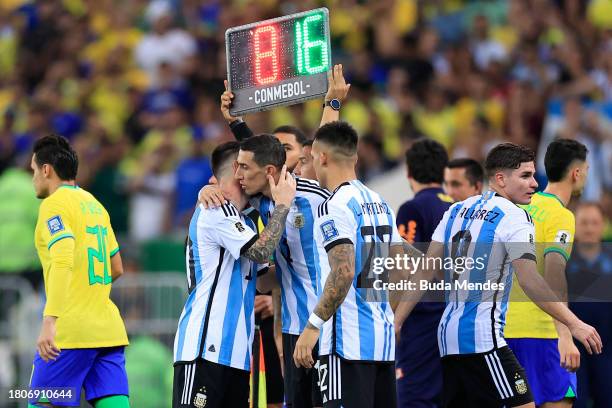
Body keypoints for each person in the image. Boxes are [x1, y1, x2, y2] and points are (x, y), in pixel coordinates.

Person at [394, 143, 602, 408]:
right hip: (483, 338)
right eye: (525, 176)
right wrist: (573, 324)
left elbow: (425, 271)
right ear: (501, 179)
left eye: (533, 175)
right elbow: (530, 280)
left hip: (448, 339)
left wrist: (397, 321)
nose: (535, 184)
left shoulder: (457, 210)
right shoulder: (515, 217)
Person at [172, 141, 296, 408]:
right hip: (205, 349)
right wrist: (283, 206)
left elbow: (264, 279)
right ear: (237, 171)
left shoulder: (246, 220)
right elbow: (261, 252)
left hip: (236, 355)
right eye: (244, 167)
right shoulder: (216, 208)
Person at [293, 121, 403, 408]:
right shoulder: (379, 202)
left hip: (346, 345)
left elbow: (343, 271)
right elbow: (401, 266)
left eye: (312, 158)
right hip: (382, 344)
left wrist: (313, 326)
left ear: (323, 157)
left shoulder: (333, 205)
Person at [28, 135, 130, 408]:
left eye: (34, 170)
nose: (33, 178)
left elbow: (62, 259)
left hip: (69, 332)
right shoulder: (95, 205)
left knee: (41, 403)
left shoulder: (53, 205)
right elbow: (116, 267)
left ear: (46, 169)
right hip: (108, 330)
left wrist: (50, 321)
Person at [505, 139, 589, 407]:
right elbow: (554, 271)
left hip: (505, 331)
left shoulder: (521, 206)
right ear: (576, 173)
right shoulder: (561, 216)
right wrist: (565, 335)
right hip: (543, 336)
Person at [395, 138, 453, 408]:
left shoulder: (412, 208)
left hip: (422, 319)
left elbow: (402, 264)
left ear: (409, 172)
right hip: (453, 317)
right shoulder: (457, 207)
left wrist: (395, 317)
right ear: (444, 171)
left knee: (415, 397)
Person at [567, 202, 612, 408]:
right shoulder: (562, 262)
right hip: (574, 348)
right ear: (574, 227)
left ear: (603, 226)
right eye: (583, 223)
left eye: (594, 223)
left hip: (608, 347)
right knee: (578, 401)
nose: (589, 228)